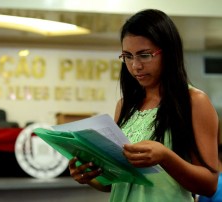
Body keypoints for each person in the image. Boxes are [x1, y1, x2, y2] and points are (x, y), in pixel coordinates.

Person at [68, 9, 219, 202]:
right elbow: (120, 181)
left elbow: (209, 185)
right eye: (128, 56)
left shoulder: (194, 101)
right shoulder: (124, 106)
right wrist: (90, 177)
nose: (135, 66)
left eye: (145, 55)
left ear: (169, 52)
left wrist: (165, 157)